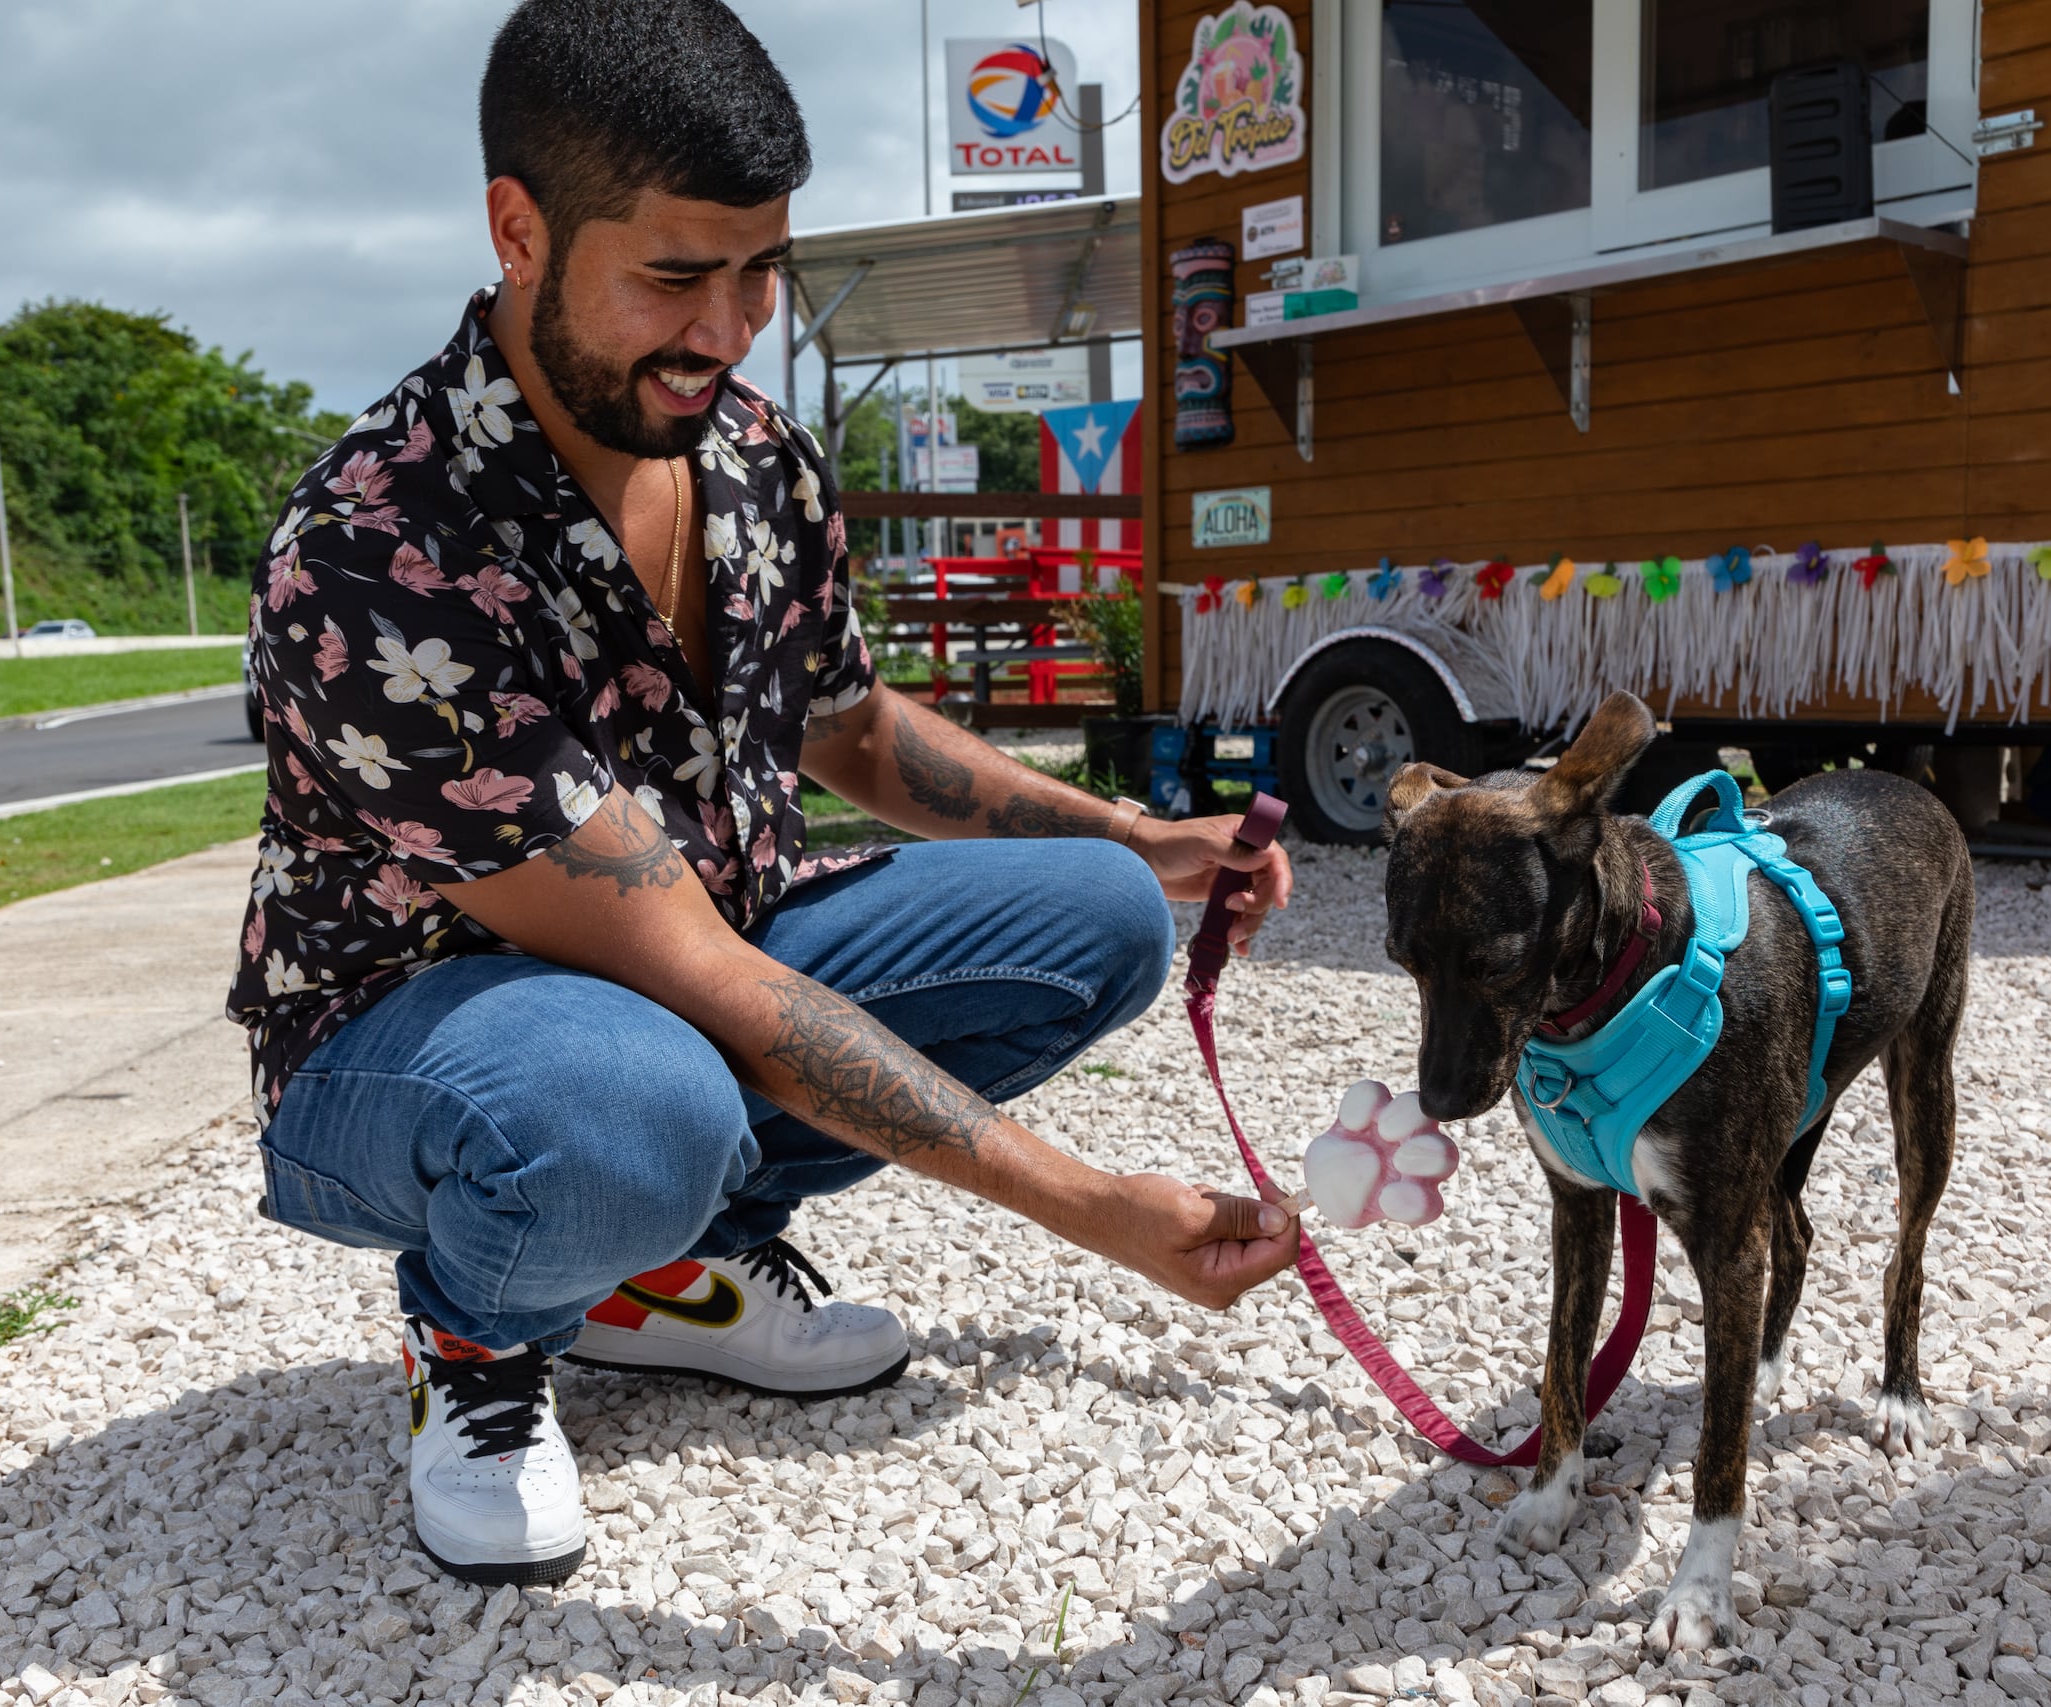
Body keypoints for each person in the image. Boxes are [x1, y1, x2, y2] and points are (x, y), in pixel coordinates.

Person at [227, 0, 1301, 1588]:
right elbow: (698, 974)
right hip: (412, 1048)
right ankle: (477, 1335)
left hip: (680, 981)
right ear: (518, 230)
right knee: (625, 1107)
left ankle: (656, 1276)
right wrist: (1094, 1209)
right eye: (674, 275)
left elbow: (854, 730)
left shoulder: (754, 456)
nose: (728, 329)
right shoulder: (378, 548)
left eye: (761, 271)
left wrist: (1141, 837)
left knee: (1099, 919)